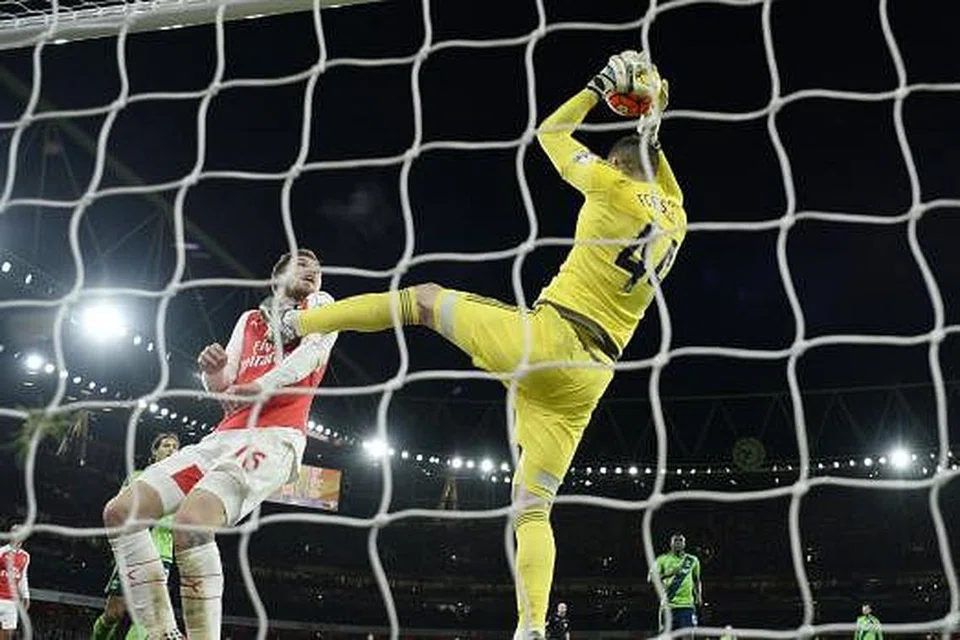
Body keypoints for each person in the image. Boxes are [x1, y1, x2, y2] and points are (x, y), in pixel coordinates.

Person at [279, 50, 686, 639]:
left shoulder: (608, 187)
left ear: (617, 165)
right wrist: (654, 123)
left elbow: (551, 132)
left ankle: (299, 324)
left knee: (423, 300)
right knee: (534, 507)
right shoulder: (677, 217)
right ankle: (531, 629)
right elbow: (659, 175)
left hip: (548, 338)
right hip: (589, 379)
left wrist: (600, 86)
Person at [101, 248, 338, 639]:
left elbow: (313, 356)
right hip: (222, 437)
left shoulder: (321, 305)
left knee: (192, 522)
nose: (313, 274)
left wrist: (259, 387)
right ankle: (161, 632)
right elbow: (224, 387)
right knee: (120, 511)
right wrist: (211, 371)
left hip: (274, 436)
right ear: (276, 278)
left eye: (318, 270)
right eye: (303, 267)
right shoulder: (248, 321)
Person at [92, 432, 181, 640]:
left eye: (175, 447)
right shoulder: (137, 477)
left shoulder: (181, 484)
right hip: (132, 550)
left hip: (161, 555)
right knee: (114, 613)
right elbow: (119, 510)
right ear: (155, 451)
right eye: (166, 445)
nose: (171, 449)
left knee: (147, 618)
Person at [650, 534, 702, 635]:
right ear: (671, 543)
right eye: (676, 541)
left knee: (688, 636)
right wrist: (669, 573)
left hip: (687, 606)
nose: (678, 543)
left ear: (684, 544)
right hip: (668, 606)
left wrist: (699, 595)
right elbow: (651, 578)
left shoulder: (693, 560)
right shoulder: (662, 559)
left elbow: (697, 580)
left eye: (681, 541)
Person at [0, 526, 29, 640]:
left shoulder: (25, 556)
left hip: (11, 601)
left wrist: (26, 596)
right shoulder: (1, 552)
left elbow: (22, 577)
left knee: (7, 635)